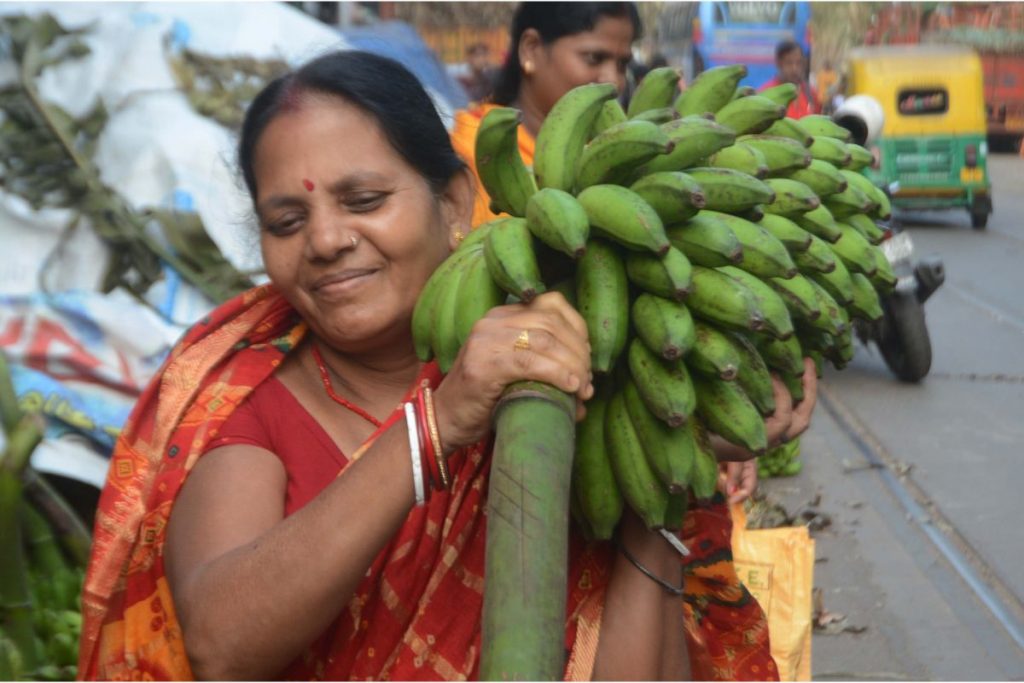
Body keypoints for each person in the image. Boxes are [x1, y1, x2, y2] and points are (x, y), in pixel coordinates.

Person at [76, 49, 722, 681]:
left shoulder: (547, 369)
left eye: (363, 200)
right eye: (288, 219)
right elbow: (221, 645)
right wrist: (435, 427)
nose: (326, 240)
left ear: (450, 204)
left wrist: (661, 473)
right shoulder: (247, 408)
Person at [451, 4, 819, 680]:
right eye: (594, 59)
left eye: (622, 63)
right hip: (524, 484)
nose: (614, 79)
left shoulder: (634, 153)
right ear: (530, 49)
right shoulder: (474, 163)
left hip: (646, 479)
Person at [760, 39, 820, 119]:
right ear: (779, 63)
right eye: (789, 63)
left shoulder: (811, 94)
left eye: (798, 63)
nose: (794, 69)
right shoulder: (765, 94)